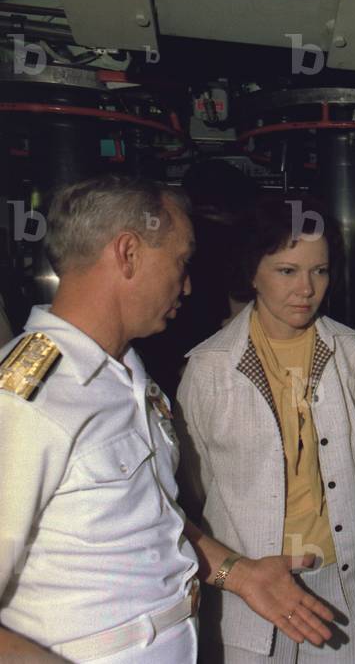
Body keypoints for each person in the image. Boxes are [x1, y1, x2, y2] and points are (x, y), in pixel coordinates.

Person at [0, 176, 333, 663]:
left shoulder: (128, 379)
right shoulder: (26, 401)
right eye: (180, 261)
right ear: (128, 254)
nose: (189, 283)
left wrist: (238, 574)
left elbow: (153, 520)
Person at [176, 196, 355, 663]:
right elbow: (195, 485)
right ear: (252, 273)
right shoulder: (209, 367)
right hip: (252, 580)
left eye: (320, 271)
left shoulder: (351, 353)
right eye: (287, 271)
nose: (306, 288)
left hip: (339, 575)